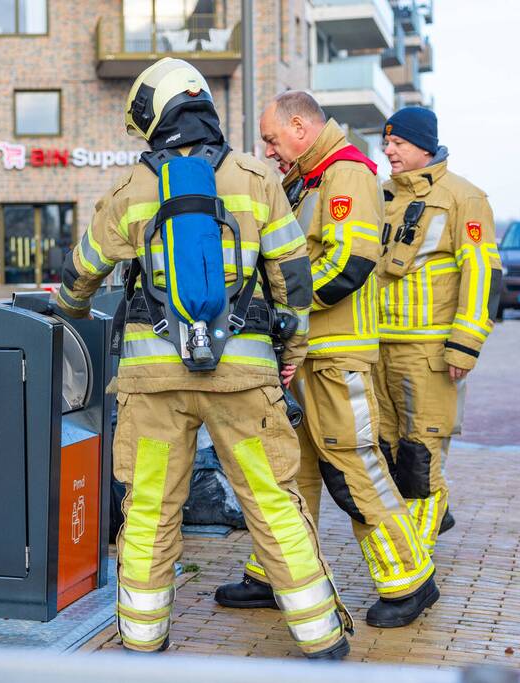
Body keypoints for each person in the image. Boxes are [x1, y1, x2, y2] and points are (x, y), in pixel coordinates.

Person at [55, 59, 351, 659]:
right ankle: (322, 637)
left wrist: (69, 308)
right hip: (243, 382)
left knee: (150, 510)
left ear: (153, 113)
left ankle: (142, 641)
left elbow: (82, 274)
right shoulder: (256, 178)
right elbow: (292, 282)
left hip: (152, 383)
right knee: (270, 501)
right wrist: (287, 353)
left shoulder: (131, 188)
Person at [214, 91, 438, 628]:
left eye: (271, 138)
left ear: (299, 126)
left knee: (355, 466)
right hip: (308, 353)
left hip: (337, 355)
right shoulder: (309, 179)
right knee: (295, 469)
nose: (268, 150)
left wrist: (279, 306)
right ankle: (279, 574)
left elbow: (350, 262)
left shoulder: (346, 174)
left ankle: (410, 579)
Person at [375, 107, 502, 552]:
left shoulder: (464, 198)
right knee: (388, 455)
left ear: (424, 146)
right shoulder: (382, 195)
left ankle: (413, 566)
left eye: (398, 143)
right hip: (379, 349)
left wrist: (464, 347)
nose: (387, 150)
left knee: (419, 457)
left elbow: (483, 272)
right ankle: (417, 534)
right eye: (385, 142)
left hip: (429, 354)